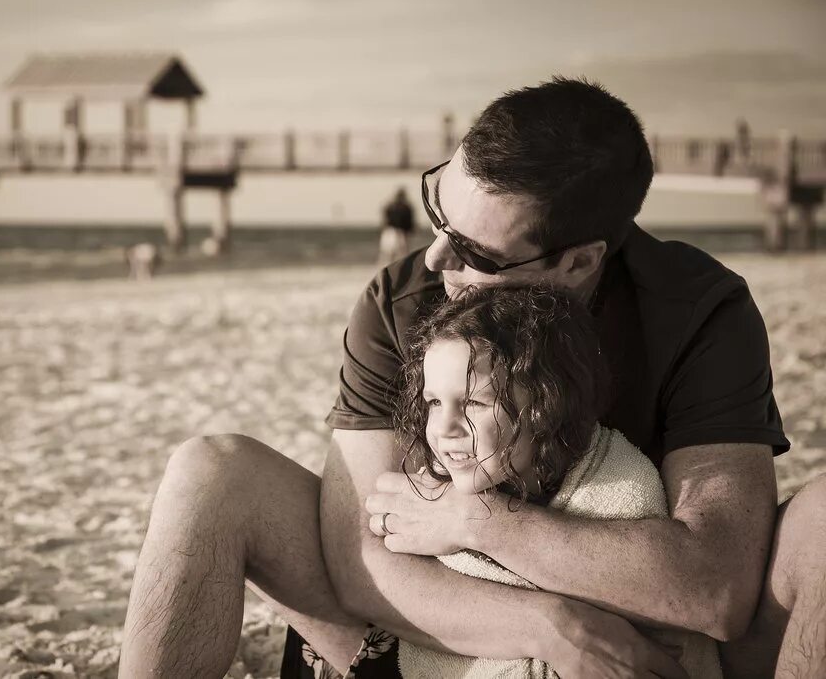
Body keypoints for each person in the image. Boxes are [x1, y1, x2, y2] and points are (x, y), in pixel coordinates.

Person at [118, 77, 826, 678]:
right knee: (210, 471)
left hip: (656, 656)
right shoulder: (402, 299)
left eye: (471, 250)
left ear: (579, 262)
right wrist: (547, 624)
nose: (433, 260)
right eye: (437, 210)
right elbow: (355, 557)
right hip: (436, 634)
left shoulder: (697, 310)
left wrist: (474, 518)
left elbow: (716, 586)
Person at [384, 283, 720, 678]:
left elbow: (646, 628)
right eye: (434, 402)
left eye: (474, 402)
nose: (445, 427)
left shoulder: (616, 487)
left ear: (546, 405)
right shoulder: (429, 493)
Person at [378, 188, 414, 266]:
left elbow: (385, 221)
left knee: (387, 256)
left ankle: (386, 271)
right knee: (402, 256)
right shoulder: (405, 207)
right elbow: (409, 224)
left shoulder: (390, 206)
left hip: (389, 232)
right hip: (400, 233)